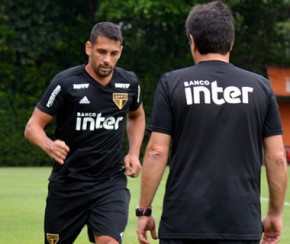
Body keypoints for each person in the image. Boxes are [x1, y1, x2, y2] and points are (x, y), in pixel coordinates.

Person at [136, 1, 288, 244]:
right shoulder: (260, 87)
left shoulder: (172, 83)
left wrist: (144, 211)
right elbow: (277, 157)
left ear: (192, 41)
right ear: (231, 43)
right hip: (241, 223)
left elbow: (156, 151)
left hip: (183, 223)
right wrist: (275, 213)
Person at [24, 21, 145, 244]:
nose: (107, 59)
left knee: (109, 241)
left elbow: (136, 115)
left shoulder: (129, 82)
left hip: (110, 183)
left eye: (114, 53)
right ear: (89, 48)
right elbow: (32, 127)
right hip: (68, 185)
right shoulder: (65, 82)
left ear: (121, 52)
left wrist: (134, 152)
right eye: (101, 52)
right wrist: (49, 145)